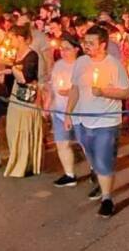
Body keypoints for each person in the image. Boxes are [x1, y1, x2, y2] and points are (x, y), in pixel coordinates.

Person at [66, 25, 129, 218]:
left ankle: (107, 198)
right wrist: (68, 113)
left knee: (104, 160)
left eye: (91, 43)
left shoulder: (114, 65)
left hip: (106, 122)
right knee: (92, 156)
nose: (86, 46)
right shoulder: (81, 62)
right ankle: (100, 177)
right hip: (83, 120)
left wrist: (103, 91)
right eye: (85, 42)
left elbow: (126, 92)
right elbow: (75, 89)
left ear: (103, 45)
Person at [1, 24, 43, 178]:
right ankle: (16, 157)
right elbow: (12, 72)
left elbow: (25, 78)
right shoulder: (15, 53)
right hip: (15, 93)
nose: (10, 41)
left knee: (24, 128)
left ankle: (25, 163)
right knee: (12, 126)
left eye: (11, 38)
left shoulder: (32, 55)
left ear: (20, 38)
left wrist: (12, 66)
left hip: (26, 96)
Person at [50, 37, 82, 187]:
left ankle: (95, 170)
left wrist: (71, 92)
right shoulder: (58, 65)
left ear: (76, 49)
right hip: (59, 111)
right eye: (61, 49)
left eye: (67, 49)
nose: (63, 52)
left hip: (80, 112)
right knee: (62, 143)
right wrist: (49, 102)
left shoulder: (83, 66)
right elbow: (53, 86)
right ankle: (69, 174)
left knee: (85, 145)